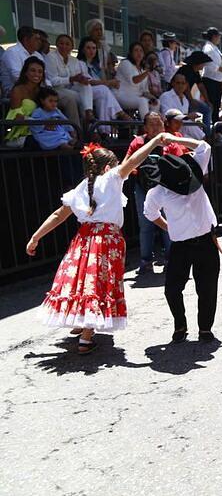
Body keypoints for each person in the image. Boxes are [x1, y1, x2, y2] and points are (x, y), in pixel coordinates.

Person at [25, 136, 166, 354]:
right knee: (99, 283)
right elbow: (135, 160)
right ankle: (86, 337)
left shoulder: (80, 189)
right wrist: (155, 141)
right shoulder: (112, 178)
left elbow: (57, 215)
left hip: (83, 238)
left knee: (81, 280)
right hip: (107, 239)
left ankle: (81, 321)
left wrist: (36, 237)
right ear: (109, 166)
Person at [143, 136, 219, 343]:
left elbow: (205, 146)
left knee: (207, 287)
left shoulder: (194, 169)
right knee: (172, 289)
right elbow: (150, 213)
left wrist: (171, 138)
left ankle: (205, 328)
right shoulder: (157, 193)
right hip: (180, 245)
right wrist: (169, 228)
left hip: (206, 240)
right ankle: (180, 324)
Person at [124, 112, 187, 274]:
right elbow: (127, 164)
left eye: (158, 124)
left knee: (168, 222)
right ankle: (145, 261)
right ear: (145, 127)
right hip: (143, 188)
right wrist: (141, 172)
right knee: (145, 225)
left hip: (167, 189)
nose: (155, 128)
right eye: (151, 124)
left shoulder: (171, 142)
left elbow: (181, 163)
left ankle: (171, 259)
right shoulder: (137, 142)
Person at [75, 37, 128, 131]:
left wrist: (110, 83)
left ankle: (104, 131)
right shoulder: (79, 63)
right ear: (83, 50)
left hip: (94, 92)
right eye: (88, 48)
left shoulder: (95, 66)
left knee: (103, 98)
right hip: (81, 91)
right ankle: (120, 113)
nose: (91, 51)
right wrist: (109, 83)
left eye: (94, 48)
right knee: (103, 90)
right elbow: (88, 81)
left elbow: (100, 82)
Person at [45, 34, 93, 127]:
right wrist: (71, 79)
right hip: (56, 90)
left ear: (72, 47)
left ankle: (89, 112)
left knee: (86, 86)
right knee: (79, 98)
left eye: (67, 44)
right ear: (57, 45)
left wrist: (81, 79)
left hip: (69, 88)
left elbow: (76, 78)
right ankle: (84, 129)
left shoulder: (74, 60)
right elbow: (53, 80)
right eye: (61, 43)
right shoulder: (51, 57)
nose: (64, 46)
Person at [4, 56, 45, 148]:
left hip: (39, 131)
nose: (36, 74)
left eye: (40, 72)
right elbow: (16, 117)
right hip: (20, 134)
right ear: (26, 72)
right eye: (33, 70)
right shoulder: (18, 90)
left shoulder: (42, 91)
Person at [114, 42, 156, 119]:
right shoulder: (125, 63)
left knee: (156, 103)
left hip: (136, 97)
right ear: (131, 53)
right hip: (121, 96)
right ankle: (147, 127)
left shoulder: (143, 69)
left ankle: (154, 125)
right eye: (136, 50)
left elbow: (144, 91)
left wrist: (153, 98)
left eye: (141, 51)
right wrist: (147, 72)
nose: (139, 53)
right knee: (142, 101)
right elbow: (134, 80)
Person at [175, 51, 213, 134]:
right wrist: (191, 100)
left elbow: (201, 86)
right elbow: (186, 86)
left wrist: (207, 101)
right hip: (178, 97)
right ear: (198, 63)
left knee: (206, 109)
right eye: (203, 63)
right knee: (201, 110)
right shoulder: (186, 70)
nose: (204, 65)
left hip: (186, 98)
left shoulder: (195, 72)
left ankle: (207, 134)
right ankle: (204, 134)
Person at [0, 26, 44, 95]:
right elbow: (16, 77)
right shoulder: (12, 52)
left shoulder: (38, 55)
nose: (40, 42)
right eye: (36, 39)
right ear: (26, 40)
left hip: (35, 89)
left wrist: (48, 88)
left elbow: (45, 76)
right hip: (14, 91)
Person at [201, 27, 222, 123]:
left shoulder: (214, 47)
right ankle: (210, 127)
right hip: (210, 80)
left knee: (216, 106)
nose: (219, 38)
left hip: (216, 80)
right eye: (218, 36)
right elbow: (208, 63)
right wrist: (218, 68)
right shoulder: (208, 48)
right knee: (211, 106)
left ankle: (215, 128)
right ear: (214, 37)